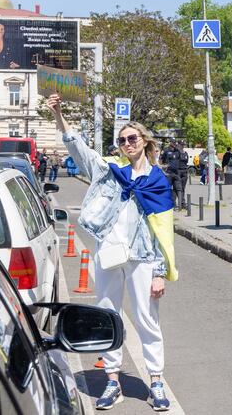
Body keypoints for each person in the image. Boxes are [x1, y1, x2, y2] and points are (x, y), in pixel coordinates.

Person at [47, 93, 175, 411]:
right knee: (108, 317)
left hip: (143, 259)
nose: (126, 144)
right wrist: (59, 113)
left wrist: (159, 272)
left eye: (132, 138)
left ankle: (156, 382)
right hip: (109, 255)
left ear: (144, 141)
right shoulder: (109, 171)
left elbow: (163, 232)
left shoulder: (158, 181)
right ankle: (113, 382)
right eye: (121, 140)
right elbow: (78, 147)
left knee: (147, 320)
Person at [161, 141, 186, 210]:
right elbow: (161, 160)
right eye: (173, 142)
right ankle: (170, 204)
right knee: (168, 188)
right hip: (168, 173)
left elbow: (180, 160)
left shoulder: (178, 151)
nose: (175, 144)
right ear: (170, 143)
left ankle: (180, 205)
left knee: (178, 188)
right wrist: (163, 168)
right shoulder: (166, 150)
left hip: (176, 173)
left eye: (175, 142)